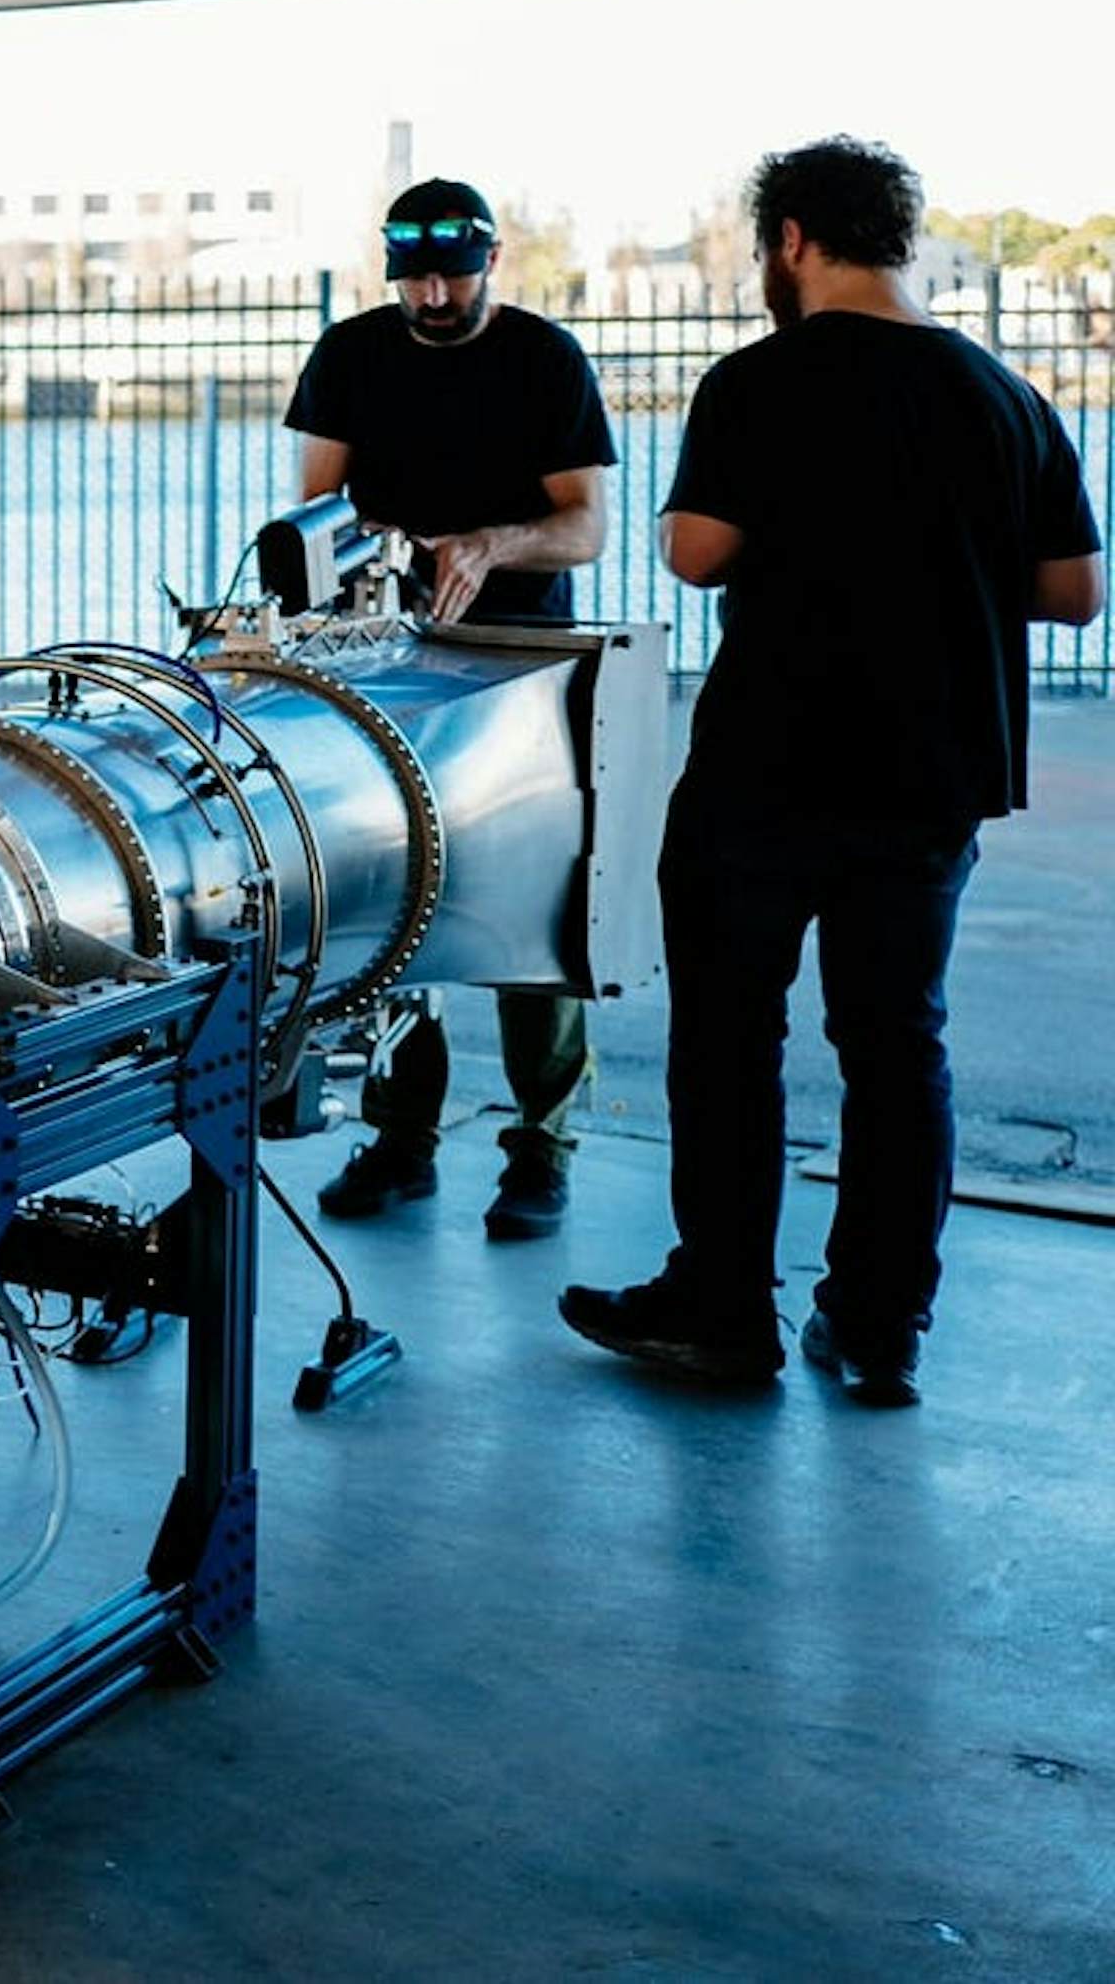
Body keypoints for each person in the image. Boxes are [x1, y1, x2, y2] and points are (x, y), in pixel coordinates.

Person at [563, 137, 1102, 1406]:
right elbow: (1075, 594)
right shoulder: (1005, 394)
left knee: (732, 1038)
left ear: (791, 239)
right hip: (936, 774)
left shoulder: (759, 384)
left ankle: (722, 1309)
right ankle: (877, 1326)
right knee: (897, 1042)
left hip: (771, 764)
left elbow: (697, 555)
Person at [285, 177, 619, 1238]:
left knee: (539, 905)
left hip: (525, 660)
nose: (433, 295)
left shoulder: (545, 360)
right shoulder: (350, 355)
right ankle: (400, 1135)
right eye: (415, 279)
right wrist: (376, 551)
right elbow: (315, 510)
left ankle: (542, 1147)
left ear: (491, 262)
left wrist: (489, 544)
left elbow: (585, 529)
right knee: (397, 897)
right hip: (387, 657)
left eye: (452, 275)